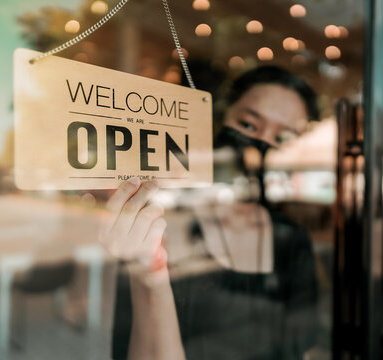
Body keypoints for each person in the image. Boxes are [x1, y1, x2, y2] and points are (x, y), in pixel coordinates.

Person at [101, 66, 320, 360]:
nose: (260, 147)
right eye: (249, 125)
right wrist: (148, 273)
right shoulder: (161, 226)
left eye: (282, 139)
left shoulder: (292, 240)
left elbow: (300, 352)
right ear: (218, 121)